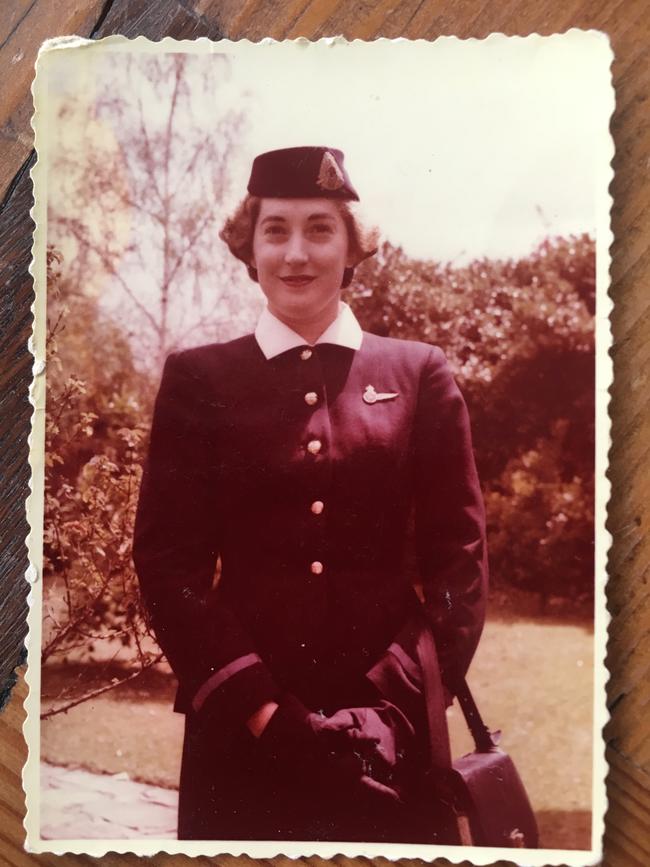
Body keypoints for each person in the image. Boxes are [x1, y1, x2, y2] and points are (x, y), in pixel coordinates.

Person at [133, 146, 488, 843]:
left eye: (321, 228)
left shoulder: (419, 372)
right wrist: (263, 709)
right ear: (249, 245)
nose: (297, 252)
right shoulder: (199, 379)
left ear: (353, 245)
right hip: (244, 731)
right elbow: (169, 564)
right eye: (276, 229)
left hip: (393, 737)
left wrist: (394, 707)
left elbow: (461, 558)